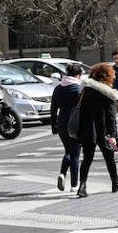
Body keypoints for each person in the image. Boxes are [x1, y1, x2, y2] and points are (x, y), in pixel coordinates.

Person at [76, 62, 118, 197]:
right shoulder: (108, 94)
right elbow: (111, 118)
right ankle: (115, 183)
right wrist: (113, 137)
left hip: (87, 129)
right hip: (103, 131)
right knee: (109, 157)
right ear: (107, 76)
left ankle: (82, 186)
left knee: (87, 158)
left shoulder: (85, 90)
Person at [50, 64, 82, 193]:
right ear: (78, 75)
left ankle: (62, 174)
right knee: (75, 154)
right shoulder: (78, 89)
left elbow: (53, 109)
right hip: (75, 124)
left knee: (68, 151)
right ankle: (74, 184)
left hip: (61, 123)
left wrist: (53, 125)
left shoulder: (58, 88)